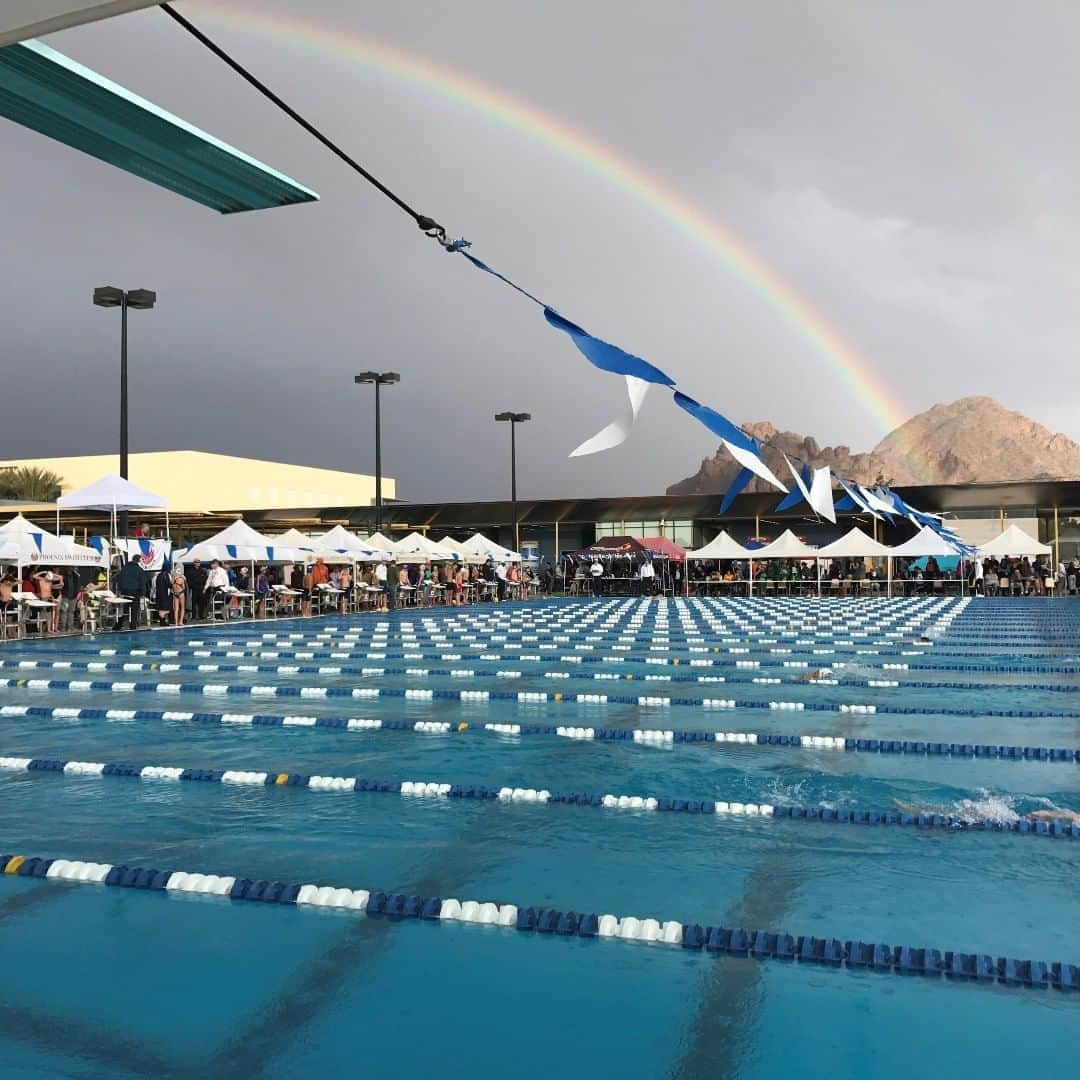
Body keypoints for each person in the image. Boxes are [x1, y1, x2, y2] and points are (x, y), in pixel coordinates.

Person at [116, 557, 149, 629]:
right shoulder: (140, 570)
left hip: (124, 592)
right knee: (134, 610)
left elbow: (119, 580)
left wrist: (120, 590)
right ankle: (133, 625)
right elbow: (142, 583)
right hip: (135, 592)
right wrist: (143, 594)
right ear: (138, 561)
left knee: (124, 609)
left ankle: (118, 624)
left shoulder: (124, 568)